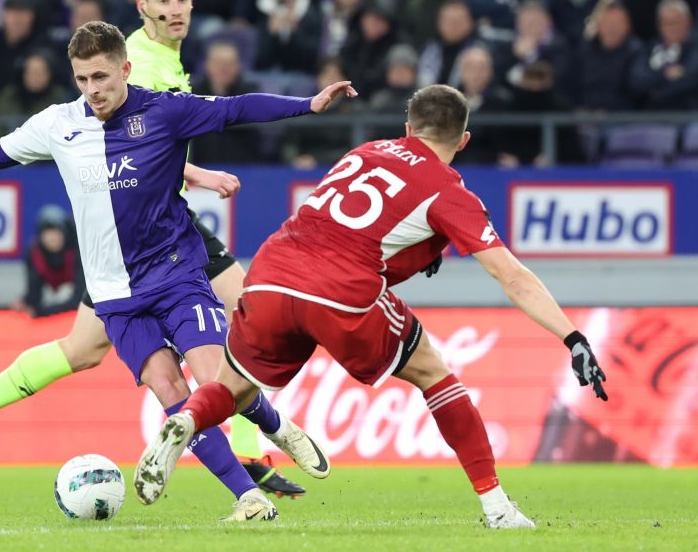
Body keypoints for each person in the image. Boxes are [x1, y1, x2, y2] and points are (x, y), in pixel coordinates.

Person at [0, 20, 357, 521]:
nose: (93, 90)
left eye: (102, 77)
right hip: (114, 296)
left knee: (214, 378)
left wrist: (308, 104)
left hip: (176, 276)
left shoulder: (164, 111)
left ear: (125, 69)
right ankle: (249, 498)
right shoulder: (59, 124)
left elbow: (236, 108)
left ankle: (276, 425)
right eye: (83, 79)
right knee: (170, 391)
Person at [134, 84, 609, 529]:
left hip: (270, 273)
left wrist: (423, 247)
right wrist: (573, 336)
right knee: (433, 373)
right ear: (463, 140)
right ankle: (498, 507)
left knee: (233, 387)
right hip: (338, 290)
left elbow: (351, 223)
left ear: (408, 128)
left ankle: (187, 419)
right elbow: (512, 276)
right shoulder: (448, 190)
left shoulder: (365, 152)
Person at [0, 0, 307, 499]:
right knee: (244, 313)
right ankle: (250, 447)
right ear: (143, 6)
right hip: (141, 226)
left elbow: (157, 141)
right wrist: (194, 175)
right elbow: (132, 144)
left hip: (147, 221)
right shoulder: (134, 60)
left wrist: (191, 173)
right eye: (164, 1)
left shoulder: (169, 55)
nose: (176, 9)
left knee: (85, 349)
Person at [12, 204, 85, 318]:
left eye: (56, 232)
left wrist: (43, 312)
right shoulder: (34, 253)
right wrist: (26, 301)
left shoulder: (78, 251)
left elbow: (80, 300)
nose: (52, 238)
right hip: (55, 310)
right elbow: (34, 294)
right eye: (47, 232)